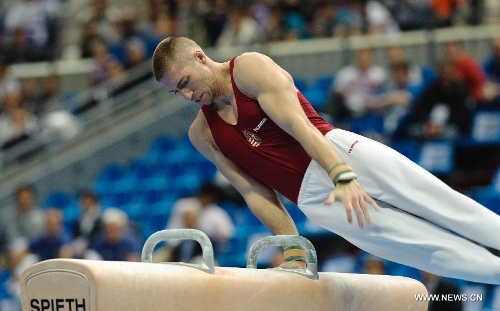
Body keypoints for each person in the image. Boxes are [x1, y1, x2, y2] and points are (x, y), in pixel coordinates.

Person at [151, 36, 500, 284]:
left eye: (185, 82)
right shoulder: (203, 135)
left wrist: (342, 175)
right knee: (424, 252)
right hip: (315, 200)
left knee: (444, 207)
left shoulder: (248, 69)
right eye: (175, 92)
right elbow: (253, 191)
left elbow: (299, 126)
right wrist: (293, 249)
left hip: (340, 154)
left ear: (199, 57)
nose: (186, 95)